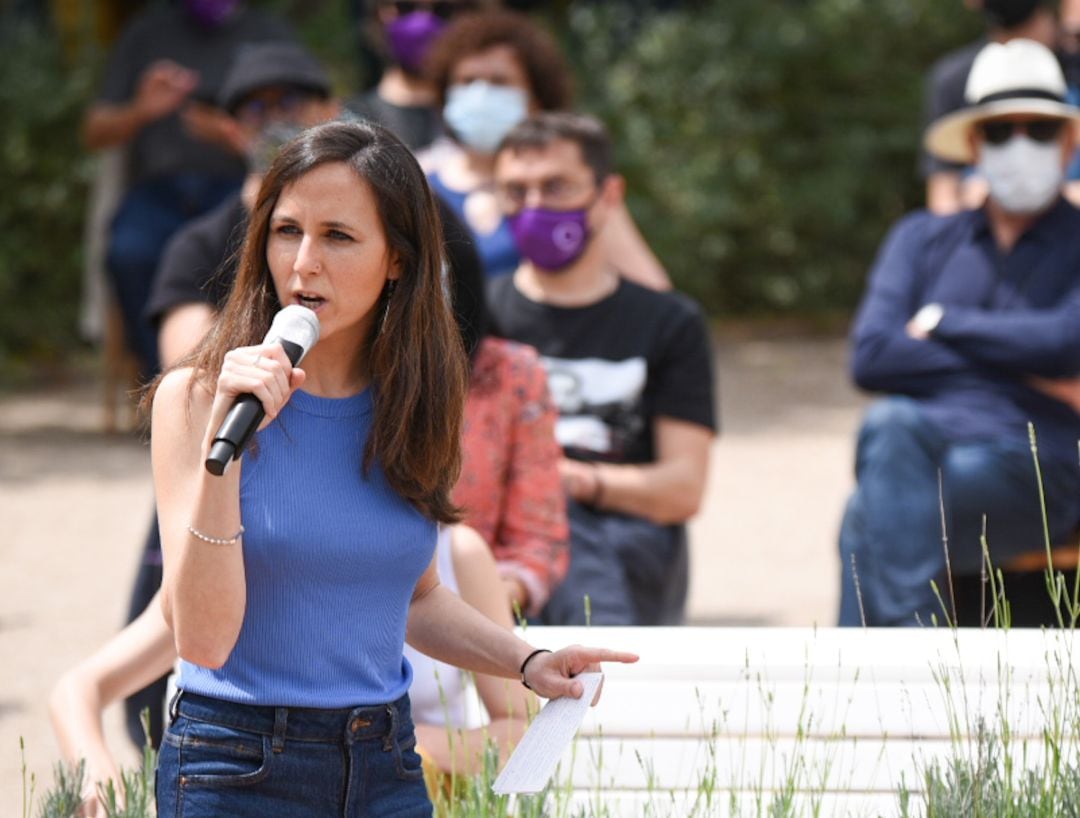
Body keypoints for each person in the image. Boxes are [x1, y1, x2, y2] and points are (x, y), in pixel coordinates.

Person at [147, 119, 634, 816]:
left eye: (338, 236)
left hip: (385, 761)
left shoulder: (418, 401)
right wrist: (222, 458)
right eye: (286, 231)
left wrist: (526, 663)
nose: (303, 262)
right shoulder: (197, 401)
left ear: (398, 259)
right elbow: (202, 638)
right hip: (236, 763)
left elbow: (415, 595)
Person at [118, 41, 339, 754]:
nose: (275, 120)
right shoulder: (199, 242)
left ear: (328, 111)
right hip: (225, 463)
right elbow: (187, 367)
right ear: (229, 127)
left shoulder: (387, 223)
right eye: (257, 109)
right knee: (151, 689)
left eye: (292, 105)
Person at [839, 39, 1080, 628]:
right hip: (927, 443)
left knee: (870, 510)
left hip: (1040, 461)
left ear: (1068, 142)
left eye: (1039, 130)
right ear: (973, 144)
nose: (1019, 145)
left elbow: (1064, 342)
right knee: (890, 425)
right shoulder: (919, 239)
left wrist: (945, 323)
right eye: (1000, 131)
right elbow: (870, 356)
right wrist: (1015, 366)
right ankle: (913, 660)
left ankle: (883, 679)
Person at [50, 526, 530, 815]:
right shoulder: (250, 557)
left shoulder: (455, 552)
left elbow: (519, 731)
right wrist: (99, 780)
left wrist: (404, 744)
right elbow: (77, 690)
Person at [488, 112, 716, 626]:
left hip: (623, 539)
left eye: (556, 186)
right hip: (502, 536)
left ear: (608, 197)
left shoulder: (669, 323)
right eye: (515, 190)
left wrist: (574, 481)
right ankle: (609, 692)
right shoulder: (473, 318)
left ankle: (602, 685)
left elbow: (683, 489)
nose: (534, 207)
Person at [84, 0, 294, 376]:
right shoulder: (146, 33)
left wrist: (233, 136)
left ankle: (233, 379)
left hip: (239, 191)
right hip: (157, 192)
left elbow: (303, 135)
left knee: (259, 253)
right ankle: (163, 383)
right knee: (127, 252)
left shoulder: (270, 37)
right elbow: (95, 131)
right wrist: (142, 108)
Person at [421, 9, 671, 288]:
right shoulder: (419, 182)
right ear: (446, 95)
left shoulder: (577, 189)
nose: (481, 95)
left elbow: (652, 292)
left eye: (499, 82)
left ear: (536, 98)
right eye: (467, 81)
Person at [921, 0, 1056, 215]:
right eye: (997, 132)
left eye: (1043, 129)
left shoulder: (1070, 67)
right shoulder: (954, 79)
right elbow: (943, 197)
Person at [346, 0, 476, 152]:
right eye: (406, 7)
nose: (423, 22)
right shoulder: (352, 119)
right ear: (379, 12)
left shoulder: (483, 112)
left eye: (442, 10)